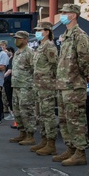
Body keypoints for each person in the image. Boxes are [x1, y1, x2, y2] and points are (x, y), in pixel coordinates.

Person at [53, 3, 89, 167]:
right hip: (63, 84)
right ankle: (70, 148)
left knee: (76, 119)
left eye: (65, 12)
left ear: (73, 15)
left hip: (74, 85)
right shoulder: (66, 34)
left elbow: (83, 60)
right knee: (64, 119)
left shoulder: (79, 35)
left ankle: (80, 152)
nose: (62, 14)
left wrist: (80, 77)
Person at [30, 21, 59, 156]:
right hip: (39, 86)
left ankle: (51, 143)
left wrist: (50, 81)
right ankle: (44, 140)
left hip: (46, 86)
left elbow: (55, 66)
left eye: (40, 30)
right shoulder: (40, 47)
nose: (37, 33)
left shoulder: (49, 47)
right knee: (40, 114)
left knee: (48, 114)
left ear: (47, 32)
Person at [9, 31, 37, 147]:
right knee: (17, 110)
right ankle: (22, 132)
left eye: (19, 38)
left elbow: (33, 69)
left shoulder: (29, 53)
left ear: (25, 39)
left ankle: (30, 135)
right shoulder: (17, 53)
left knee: (26, 111)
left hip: (26, 86)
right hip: (16, 85)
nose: (16, 40)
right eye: (16, 38)